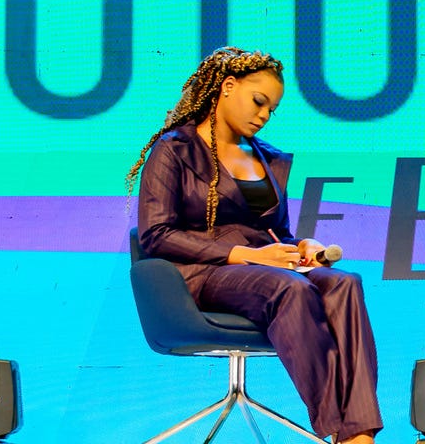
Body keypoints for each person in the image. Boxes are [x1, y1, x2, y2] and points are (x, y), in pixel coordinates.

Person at [127, 47, 380, 443]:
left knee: (345, 283)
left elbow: (277, 234)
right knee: (289, 288)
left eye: (271, 110)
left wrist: (302, 247)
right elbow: (156, 235)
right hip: (204, 274)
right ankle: (341, 429)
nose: (263, 116)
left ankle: (361, 431)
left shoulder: (267, 159)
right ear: (227, 87)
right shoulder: (175, 150)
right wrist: (246, 255)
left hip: (264, 268)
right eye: (258, 102)